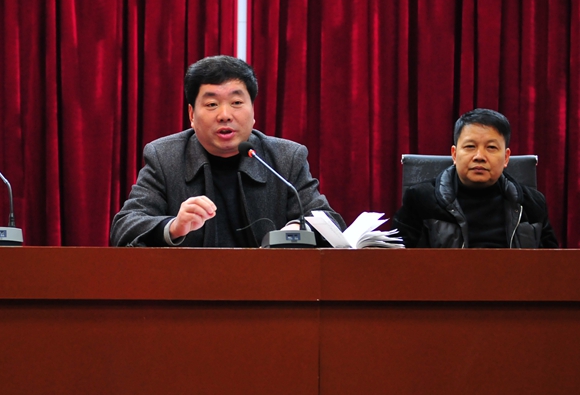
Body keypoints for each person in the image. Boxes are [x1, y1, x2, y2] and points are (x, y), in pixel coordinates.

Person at [110, 55, 345, 247]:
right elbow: (124, 226)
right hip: (190, 285)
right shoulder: (164, 157)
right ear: (192, 115)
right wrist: (173, 227)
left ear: (253, 111)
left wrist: (298, 228)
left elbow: (330, 222)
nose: (225, 115)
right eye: (212, 104)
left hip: (270, 285)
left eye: (236, 103)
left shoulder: (286, 158)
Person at [393, 108, 558, 248]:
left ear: (506, 158)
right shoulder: (420, 200)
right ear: (454, 154)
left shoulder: (532, 205)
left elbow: (552, 266)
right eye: (470, 146)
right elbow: (397, 263)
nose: (479, 156)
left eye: (491, 147)